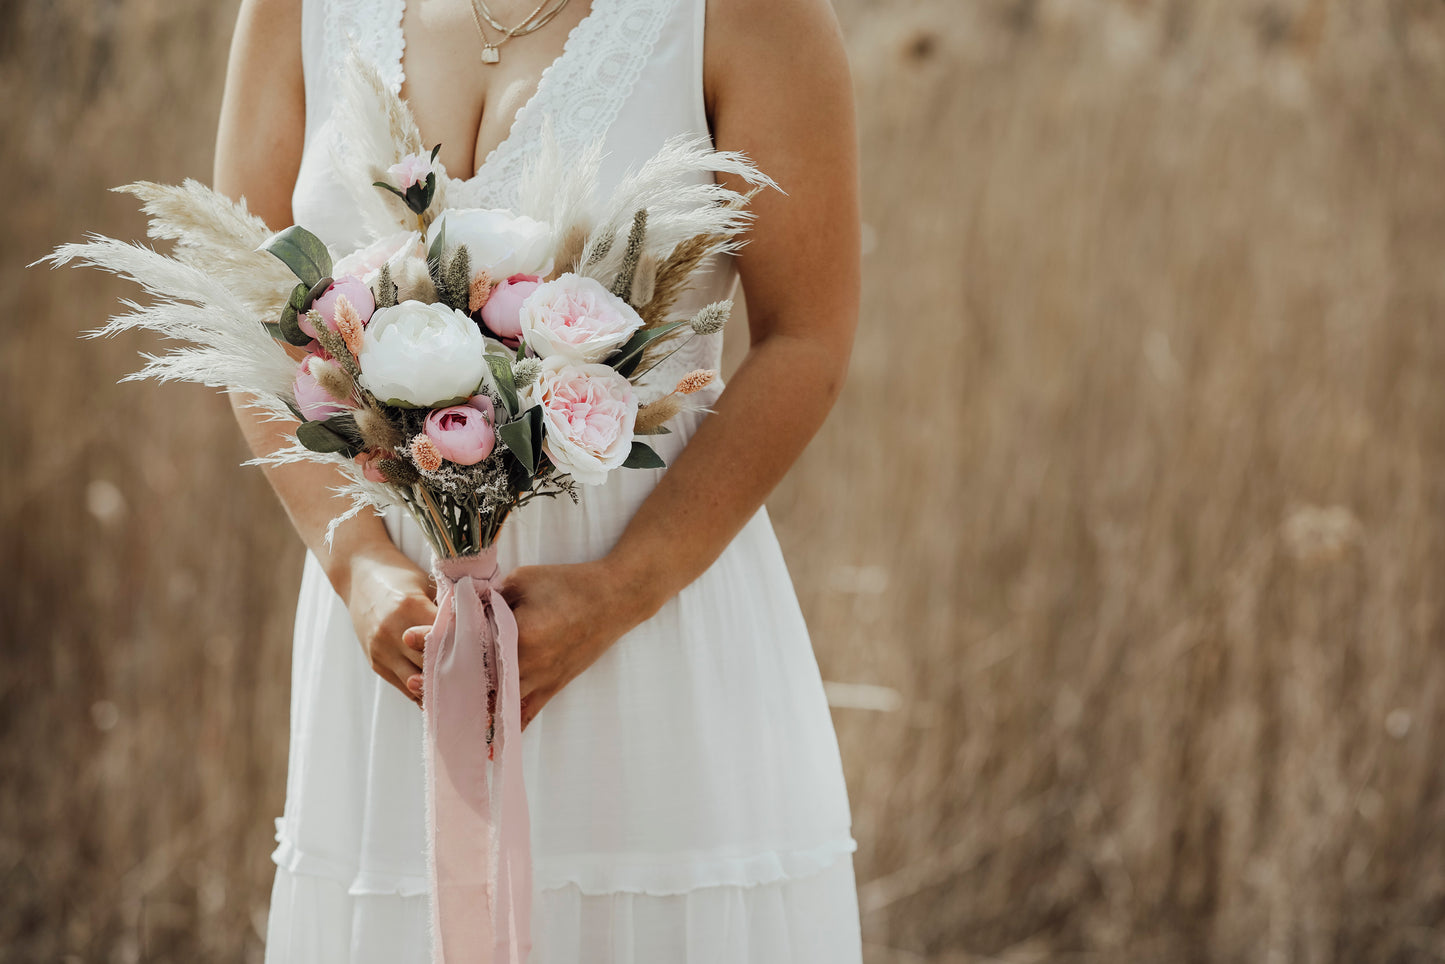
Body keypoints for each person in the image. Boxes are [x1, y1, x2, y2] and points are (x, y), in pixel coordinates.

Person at [213, 0, 863, 959]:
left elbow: (807, 335)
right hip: (396, 641)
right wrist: (354, 563)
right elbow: (248, 317)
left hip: (648, 625)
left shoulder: (747, 15)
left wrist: (621, 589)